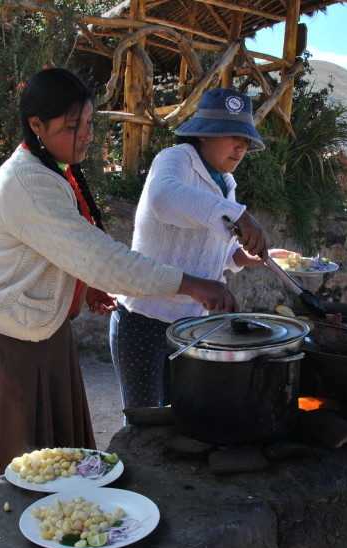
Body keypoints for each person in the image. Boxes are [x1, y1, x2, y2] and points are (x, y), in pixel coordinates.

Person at [0, 68, 237, 485]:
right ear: (36, 125)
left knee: (48, 478)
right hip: (1, 343)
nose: (87, 135)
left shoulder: (54, 169)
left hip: (41, 336)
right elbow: (99, 256)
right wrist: (192, 284)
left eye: (89, 123)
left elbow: (66, 249)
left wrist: (83, 284)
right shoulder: (30, 183)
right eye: (74, 126)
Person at [109, 87, 294, 414]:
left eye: (246, 139)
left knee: (179, 414)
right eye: (232, 135)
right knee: (143, 422)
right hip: (143, 319)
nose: (242, 145)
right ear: (205, 135)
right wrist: (240, 215)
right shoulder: (176, 159)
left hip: (190, 324)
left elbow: (216, 253)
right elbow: (164, 198)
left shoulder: (226, 184)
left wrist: (244, 257)